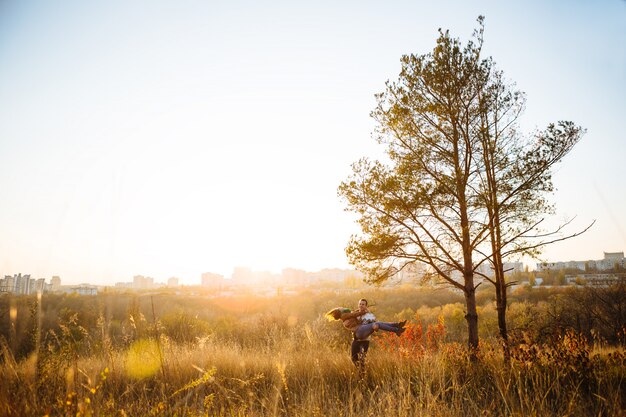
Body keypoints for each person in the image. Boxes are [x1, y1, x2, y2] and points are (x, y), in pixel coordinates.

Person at [326, 298, 407, 371]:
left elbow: (360, 316)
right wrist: (364, 312)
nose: (341, 307)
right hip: (359, 332)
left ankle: (397, 326)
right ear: (339, 311)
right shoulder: (345, 315)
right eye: (360, 304)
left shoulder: (352, 314)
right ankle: (396, 329)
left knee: (378, 323)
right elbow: (354, 314)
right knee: (354, 357)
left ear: (365, 305)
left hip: (363, 334)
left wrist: (372, 322)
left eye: (363, 304)